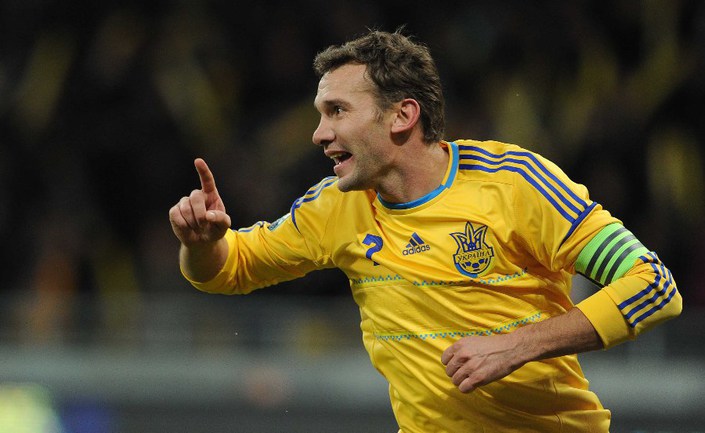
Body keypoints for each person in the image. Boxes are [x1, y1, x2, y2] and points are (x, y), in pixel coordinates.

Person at [168, 29, 682, 432]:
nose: (319, 134)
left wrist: (517, 344)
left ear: (402, 115)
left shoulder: (515, 184)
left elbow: (654, 286)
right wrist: (202, 244)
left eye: (337, 111)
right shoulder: (336, 207)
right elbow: (228, 270)